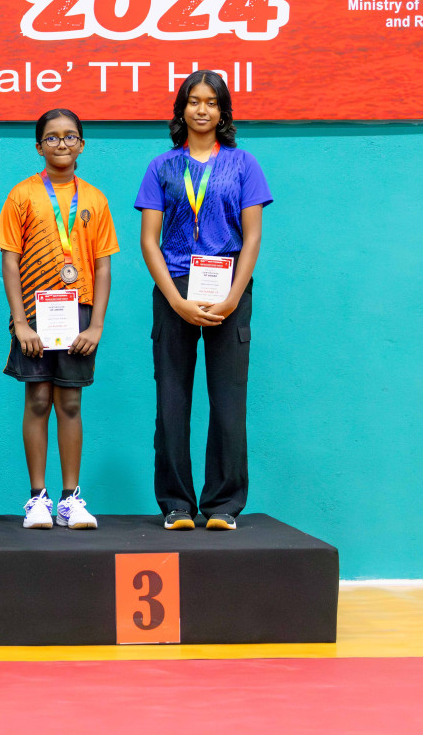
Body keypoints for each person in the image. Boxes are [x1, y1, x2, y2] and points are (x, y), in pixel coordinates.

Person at [136, 70, 272, 531]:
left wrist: (234, 297)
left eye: (211, 102)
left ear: (222, 111)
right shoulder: (161, 167)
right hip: (175, 288)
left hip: (229, 290)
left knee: (228, 403)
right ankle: (176, 504)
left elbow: (252, 237)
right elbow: (149, 241)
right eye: (193, 101)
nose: (201, 109)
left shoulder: (244, 164)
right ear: (182, 110)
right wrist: (174, 300)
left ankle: (223, 505)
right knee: (171, 402)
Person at [0, 109, 118, 530]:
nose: (61, 144)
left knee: (69, 401)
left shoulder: (96, 200)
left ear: (82, 143)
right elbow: (9, 263)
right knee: (38, 400)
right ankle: (37, 499)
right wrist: (20, 323)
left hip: (78, 314)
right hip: (33, 313)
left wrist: (96, 325)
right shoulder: (22, 195)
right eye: (52, 137)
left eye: (69, 137)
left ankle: (70, 499)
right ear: (38, 146)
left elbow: (102, 268)